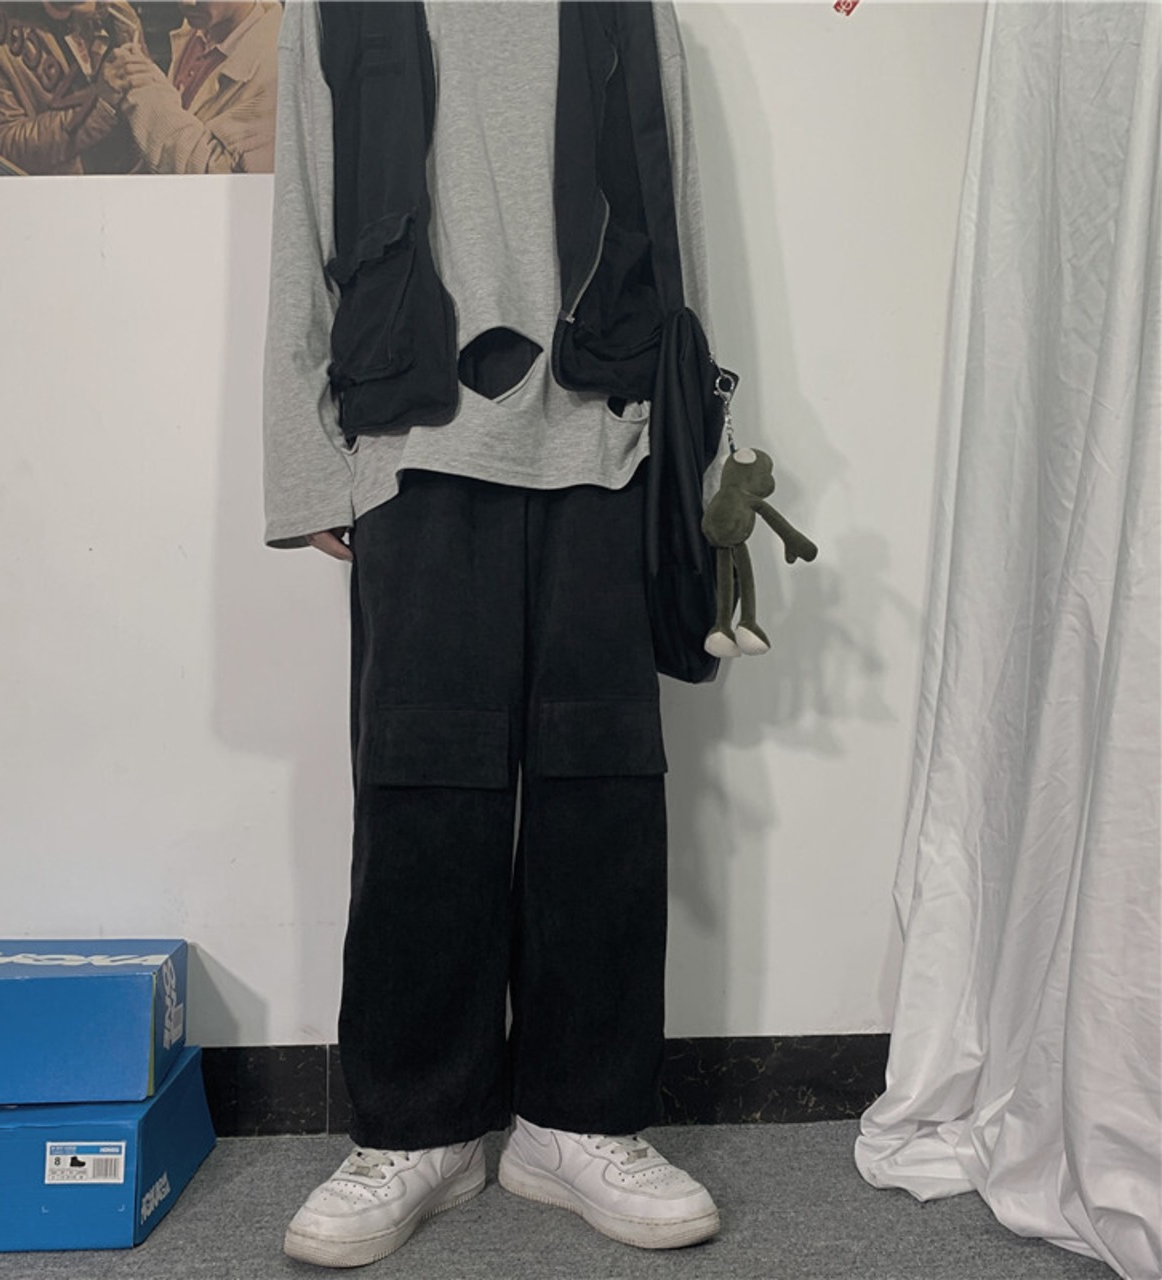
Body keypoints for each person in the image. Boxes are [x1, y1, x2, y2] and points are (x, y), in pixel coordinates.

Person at [263, 1, 722, 1268]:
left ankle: (579, 1119)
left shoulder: (630, 10)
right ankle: (417, 1128)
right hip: (414, 443)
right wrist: (307, 466)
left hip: (603, 439)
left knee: (603, 791)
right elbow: (303, 226)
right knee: (420, 794)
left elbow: (673, 227)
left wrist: (691, 448)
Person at [0, 0, 144, 175]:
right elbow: (2, 146)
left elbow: (143, 97)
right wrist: (97, 108)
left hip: (135, 171)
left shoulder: (116, 14)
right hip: (72, 185)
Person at [104, 0, 280, 174]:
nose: (185, 3)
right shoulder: (198, 28)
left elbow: (220, 176)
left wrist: (145, 93)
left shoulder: (279, 71)